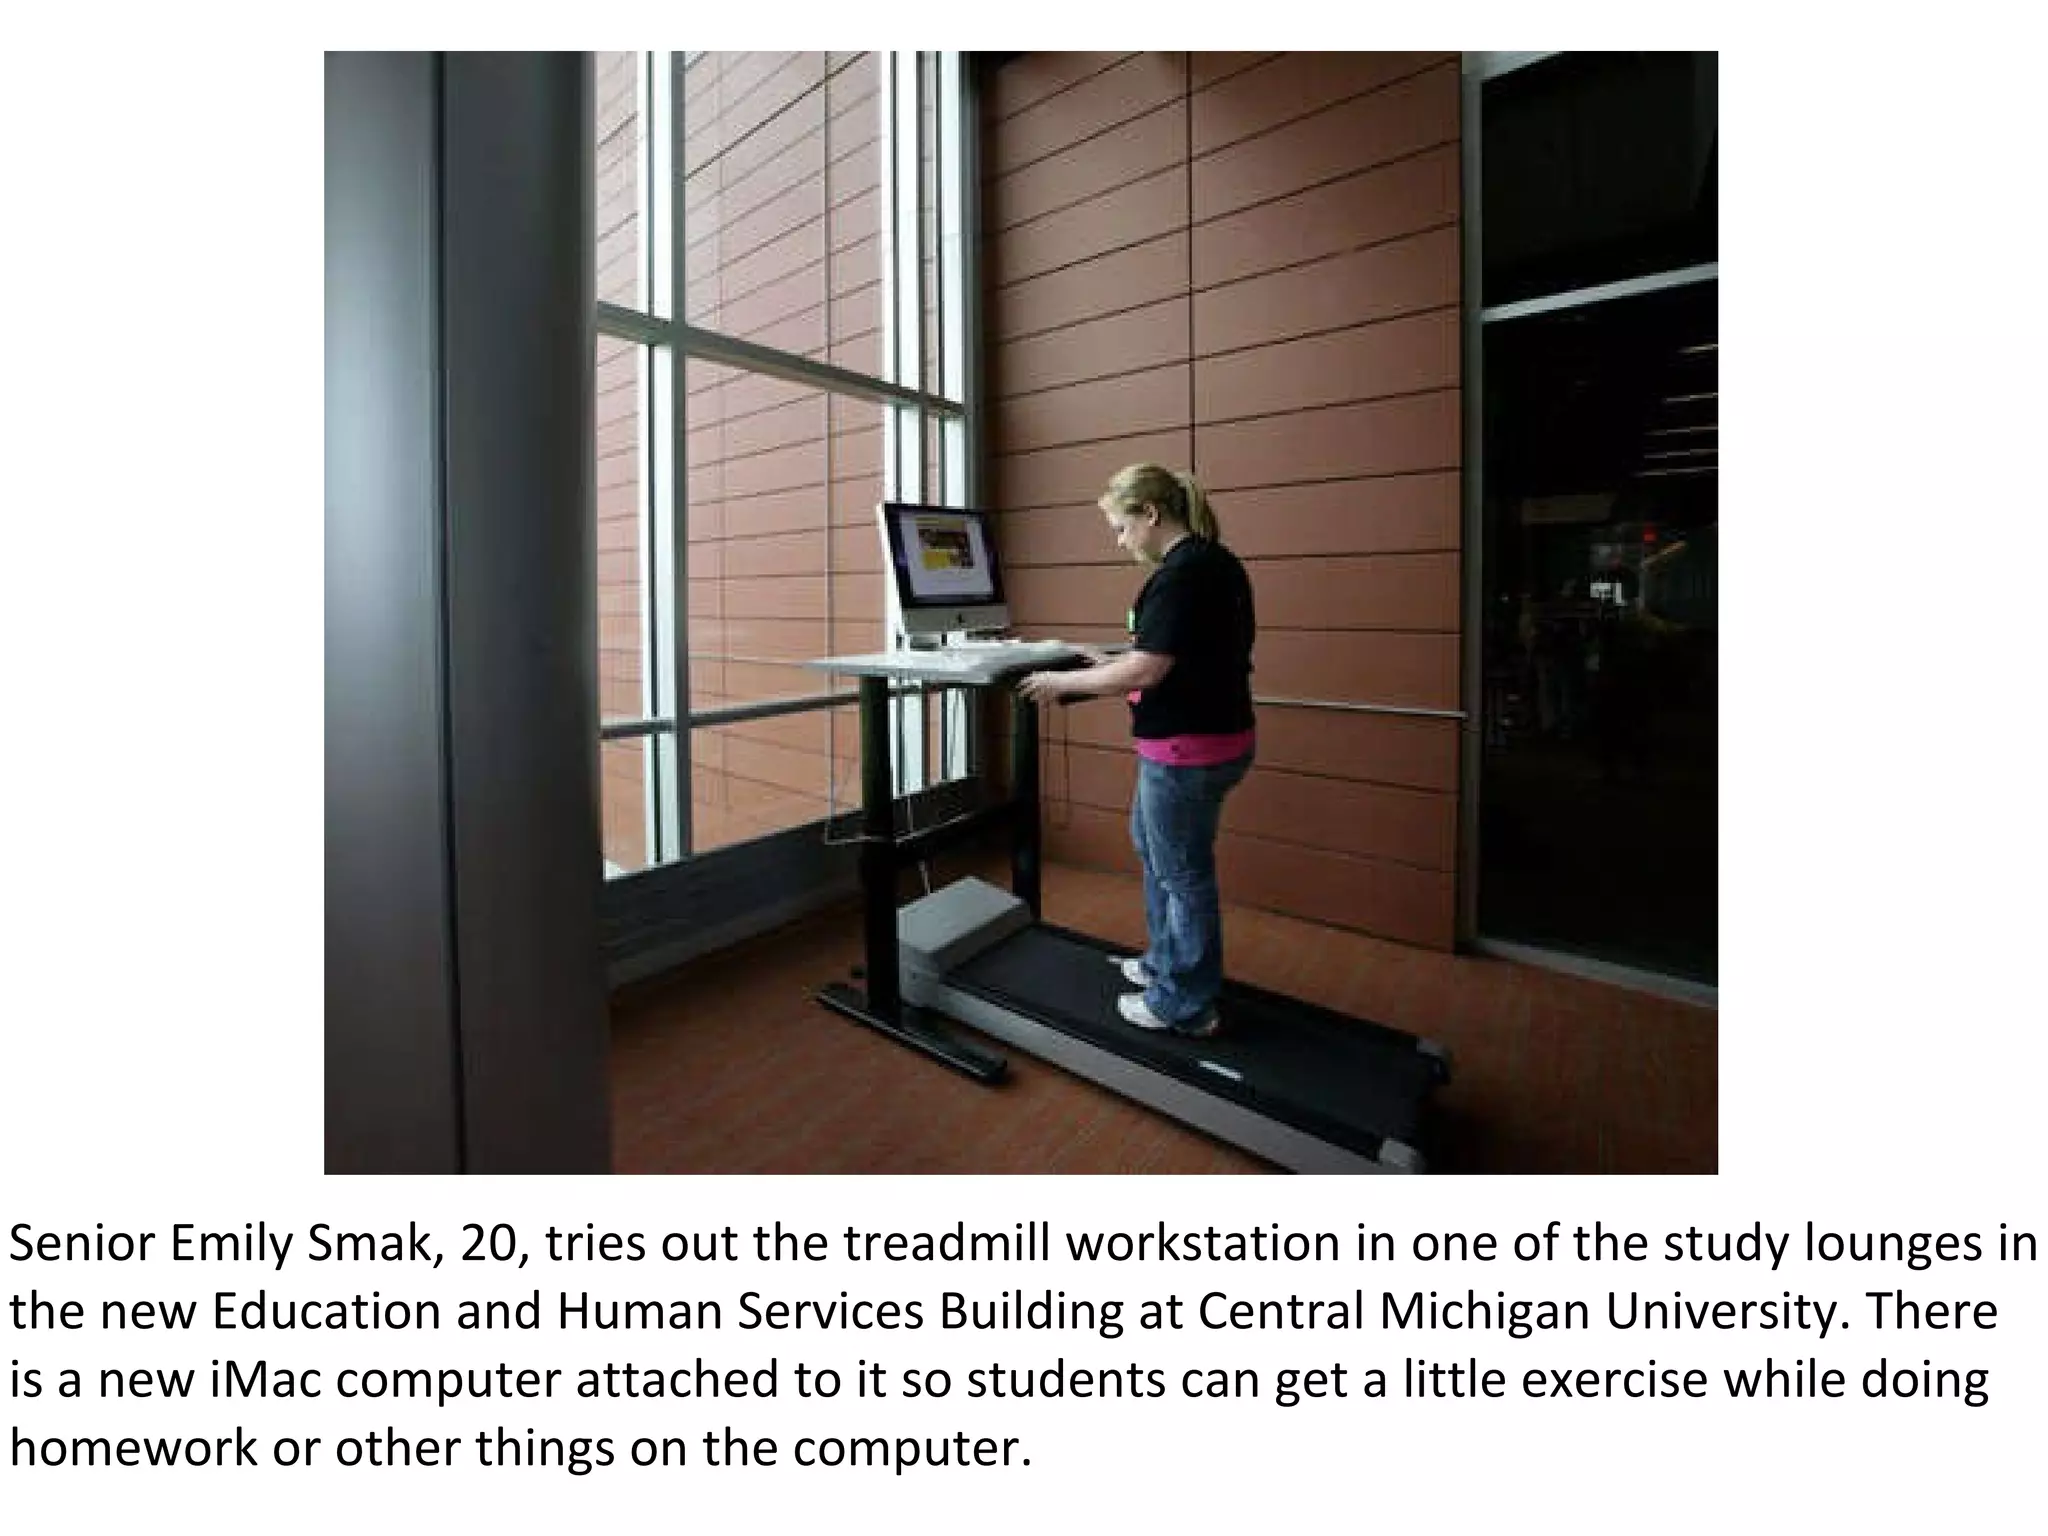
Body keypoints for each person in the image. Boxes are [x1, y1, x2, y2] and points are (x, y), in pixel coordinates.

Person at [1017, 464, 1256, 1039]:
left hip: (1186, 749)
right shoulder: (1214, 562)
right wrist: (1107, 664)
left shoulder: (1181, 574)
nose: (1120, 541)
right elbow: (1178, 656)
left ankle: (1183, 1004)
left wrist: (1062, 682)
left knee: (1182, 874)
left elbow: (1148, 669)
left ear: (1150, 513)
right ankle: (1162, 965)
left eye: (1121, 528)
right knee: (1156, 852)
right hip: (1212, 738)